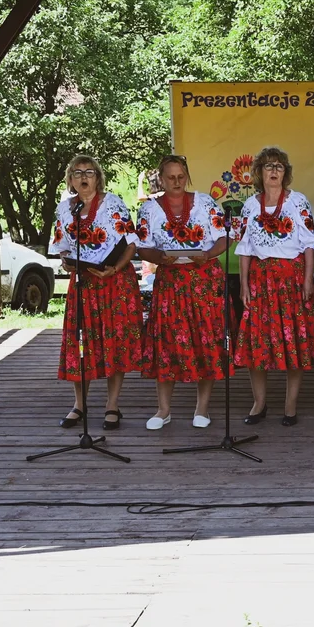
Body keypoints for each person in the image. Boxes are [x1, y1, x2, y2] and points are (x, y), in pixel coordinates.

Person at [51, 154, 144, 431]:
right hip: (84, 284)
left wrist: (115, 269)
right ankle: (79, 404)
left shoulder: (112, 203)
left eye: (89, 172)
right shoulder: (65, 209)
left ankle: (112, 405)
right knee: (81, 342)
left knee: (114, 342)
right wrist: (67, 263)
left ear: (98, 177)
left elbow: (131, 242)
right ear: (70, 180)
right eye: (78, 172)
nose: (83, 177)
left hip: (114, 281)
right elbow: (61, 247)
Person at [136, 155, 230, 430]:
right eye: (170, 177)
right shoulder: (149, 209)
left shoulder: (205, 203)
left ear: (186, 176)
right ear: (161, 179)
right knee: (166, 344)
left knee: (206, 340)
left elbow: (224, 238)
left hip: (204, 280)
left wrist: (208, 254)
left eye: (180, 176)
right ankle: (163, 410)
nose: (176, 182)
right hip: (169, 283)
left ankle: (202, 408)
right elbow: (142, 246)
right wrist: (159, 258)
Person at [233, 146, 314, 427]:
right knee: (257, 344)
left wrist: (308, 279)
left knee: (292, 342)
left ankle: (290, 405)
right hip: (260, 281)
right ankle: (259, 403)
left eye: (279, 166)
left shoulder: (298, 202)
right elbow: (244, 248)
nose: (273, 171)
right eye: (268, 166)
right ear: (258, 172)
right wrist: (243, 285)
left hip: (291, 280)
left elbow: (308, 244)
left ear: (286, 173)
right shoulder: (249, 205)